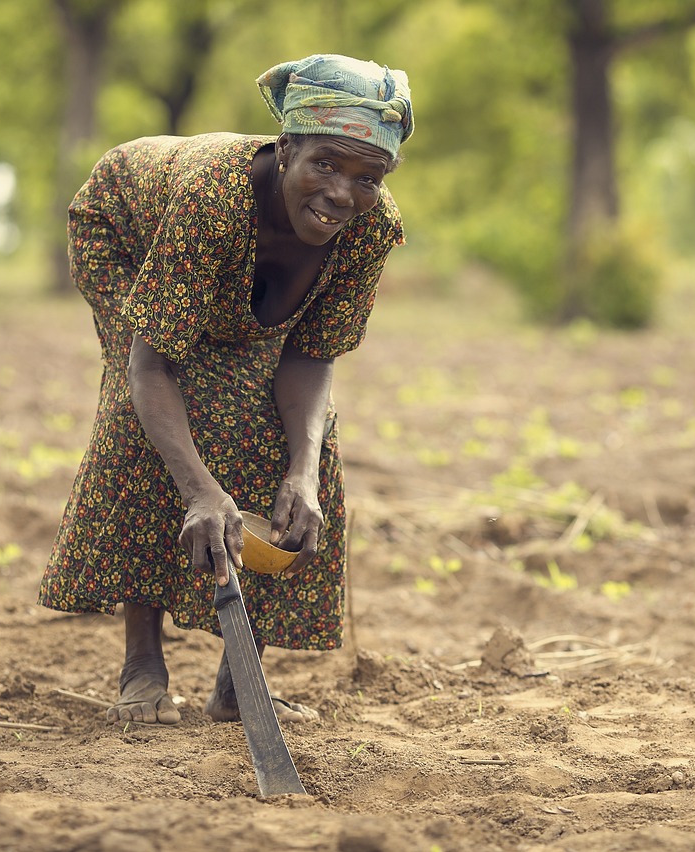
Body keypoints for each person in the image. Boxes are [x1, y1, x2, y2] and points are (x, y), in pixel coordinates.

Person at [38, 54, 413, 726]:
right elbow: (150, 369)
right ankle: (142, 665)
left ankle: (240, 685)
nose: (340, 193)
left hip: (218, 273)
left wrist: (301, 474)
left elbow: (311, 354)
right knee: (156, 407)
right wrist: (200, 489)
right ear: (288, 146)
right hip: (125, 228)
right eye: (324, 163)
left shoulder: (371, 228)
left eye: (366, 177)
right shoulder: (213, 198)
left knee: (303, 446)